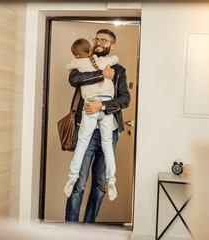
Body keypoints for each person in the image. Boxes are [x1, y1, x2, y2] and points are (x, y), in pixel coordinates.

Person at [65, 29, 130, 223]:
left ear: (112, 45)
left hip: (109, 130)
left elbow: (124, 99)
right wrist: (101, 74)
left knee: (100, 186)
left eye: (104, 40)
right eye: (96, 39)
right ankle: (70, 232)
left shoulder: (119, 70)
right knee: (79, 184)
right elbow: (73, 79)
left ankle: (88, 229)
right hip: (86, 129)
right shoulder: (84, 62)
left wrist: (102, 105)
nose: (99, 43)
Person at [64, 38, 119, 201]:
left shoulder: (78, 63)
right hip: (105, 106)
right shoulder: (104, 61)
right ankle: (111, 180)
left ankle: (73, 176)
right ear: (90, 48)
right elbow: (115, 59)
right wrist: (105, 68)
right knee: (108, 145)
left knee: (82, 143)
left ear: (77, 54)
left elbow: (68, 68)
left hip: (90, 105)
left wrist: (77, 60)